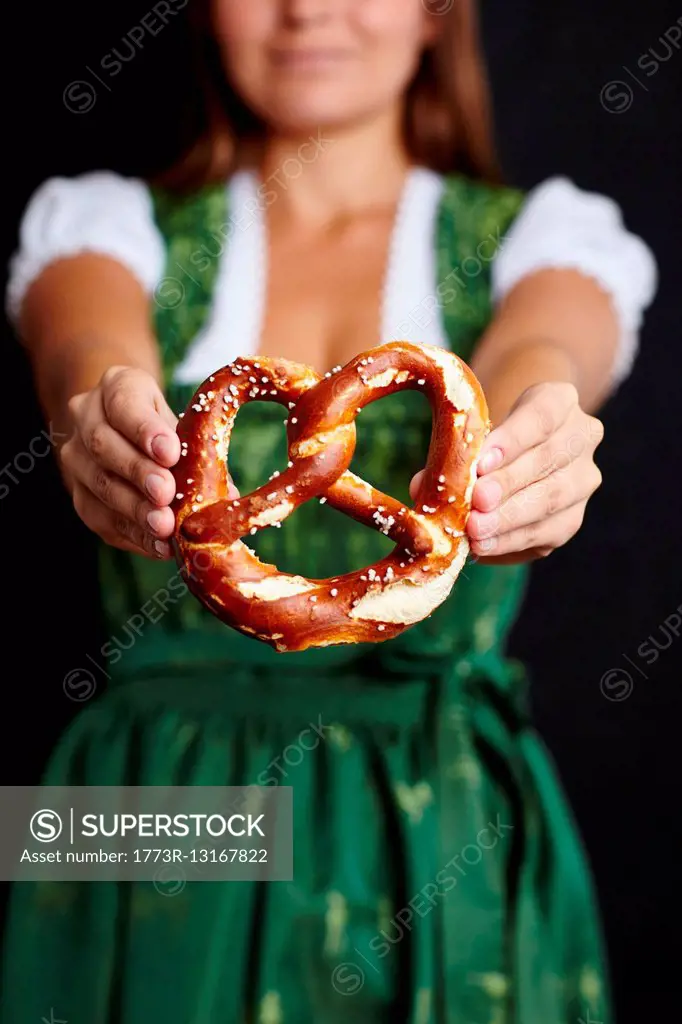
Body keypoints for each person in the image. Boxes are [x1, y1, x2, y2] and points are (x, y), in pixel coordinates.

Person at [1, 1, 657, 1021]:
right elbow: (81, 350)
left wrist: (544, 432)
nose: (307, 7)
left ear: (437, 14)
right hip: (143, 805)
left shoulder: (544, 241)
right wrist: (93, 415)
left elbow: (545, 358)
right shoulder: (104, 227)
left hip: (437, 819)